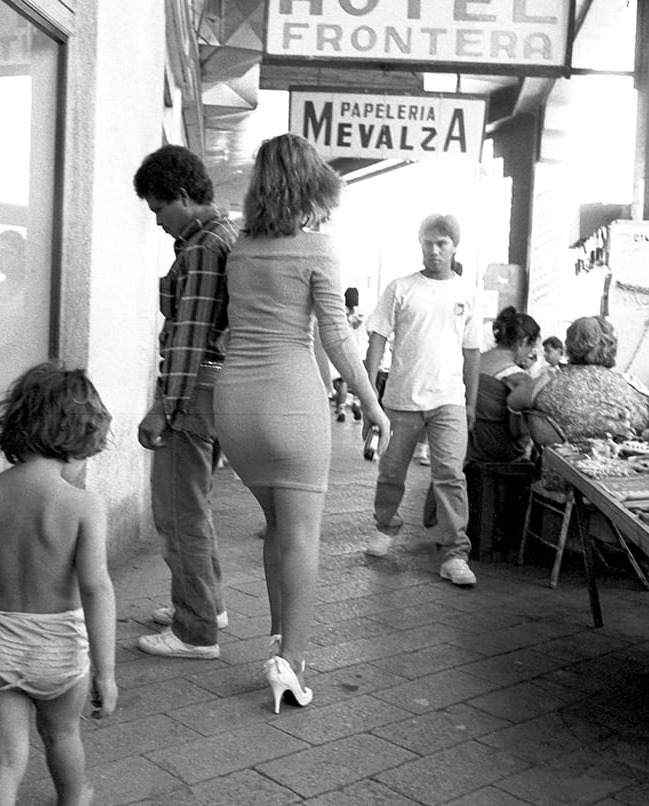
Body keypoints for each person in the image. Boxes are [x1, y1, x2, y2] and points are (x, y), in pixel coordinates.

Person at [214, 133, 390, 713]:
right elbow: (336, 337)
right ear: (312, 186)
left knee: (276, 527)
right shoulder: (318, 249)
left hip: (235, 407)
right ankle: (292, 660)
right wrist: (371, 402)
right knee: (301, 536)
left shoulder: (241, 248)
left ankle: (277, 641)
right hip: (290, 404)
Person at [0, 363, 117, 806]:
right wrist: (106, 673)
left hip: (0, 644)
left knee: (2, 760)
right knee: (62, 736)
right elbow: (97, 589)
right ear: (76, 438)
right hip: (61, 648)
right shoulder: (83, 505)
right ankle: (75, 798)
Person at [132, 145, 239, 659]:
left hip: (192, 390)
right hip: (215, 387)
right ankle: (206, 603)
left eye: (158, 209)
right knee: (194, 506)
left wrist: (163, 406)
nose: (157, 223)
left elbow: (189, 338)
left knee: (177, 512)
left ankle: (196, 630)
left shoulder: (201, 248)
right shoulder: (224, 236)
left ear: (180, 196)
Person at [363, 213, 481, 589]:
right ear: (420, 245)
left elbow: (473, 351)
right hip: (402, 398)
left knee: (450, 476)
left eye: (441, 243)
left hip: (449, 400)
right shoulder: (400, 288)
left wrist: (471, 402)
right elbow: (377, 337)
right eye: (428, 243)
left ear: (454, 247)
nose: (434, 250)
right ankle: (385, 524)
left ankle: (454, 553)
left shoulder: (467, 292)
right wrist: (370, 395)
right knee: (392, 470)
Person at [514, 315, 649, 441]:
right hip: (627, 471)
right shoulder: (632, 386)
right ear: (610, 347)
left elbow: (515, 407)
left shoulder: (546, 385)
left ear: (569, 346)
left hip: (558, 471)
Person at [467, 306, 541, 464]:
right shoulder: (517, 378)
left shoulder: (472, 362)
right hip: (494, 455)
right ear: (524, 342)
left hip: (462, 447)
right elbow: (520, 430)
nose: (530, 355)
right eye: (531, 348)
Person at [332, 287, 367, 422]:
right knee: (358, 380)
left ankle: (341, 410)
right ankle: (355, 403)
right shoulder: (362, 313)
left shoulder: (342, 313)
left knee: (343, 381)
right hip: (360, 352)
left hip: (346, 351)